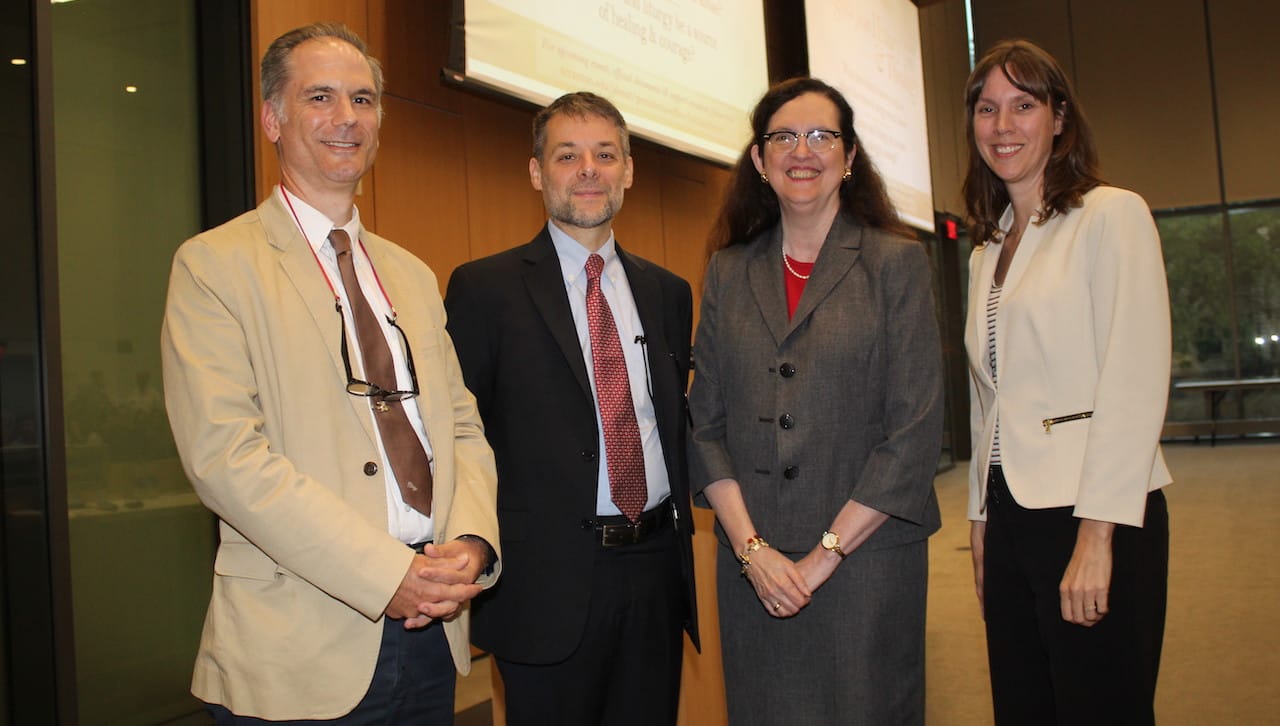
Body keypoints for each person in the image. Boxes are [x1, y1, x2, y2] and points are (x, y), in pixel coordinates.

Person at [161, 23, 500, 723]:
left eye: (364, 99)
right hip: (298, 645)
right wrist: (387, 576)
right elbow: (227, 457)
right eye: (320, 97)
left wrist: (470, 541)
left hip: (433, 633)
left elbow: (461, 427)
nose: (348, 118)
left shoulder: (409, 272)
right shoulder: (213, 266)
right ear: (271, 119)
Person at [688, 77, 944, 725]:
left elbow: (912, 435)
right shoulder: (728, 270)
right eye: (783, 137)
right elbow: (704, 424)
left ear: (850, 156)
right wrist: (753, 553)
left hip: (867, 564)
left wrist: (823, 556)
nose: (802, 151)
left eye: (821, 136)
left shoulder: (896, 265)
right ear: (759, 160)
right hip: (755, 569)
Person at [444, 91, 698, 726]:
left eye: (605, 154)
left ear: (628, 170)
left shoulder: (668, 293)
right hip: (544, 582)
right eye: (568, 155)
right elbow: (458, 433)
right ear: (537, 172)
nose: (589, 169)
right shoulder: (484, 289)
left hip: (654, 571)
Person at [961, 39, 1172, 725]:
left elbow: (1134, 381)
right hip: (1012, 510)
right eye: (988, 109)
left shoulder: (1111, 215)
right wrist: (981, 517)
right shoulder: (986, 250)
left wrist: (1097, 535)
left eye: (1024, 105)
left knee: (1100, 706)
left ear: (1059, 118)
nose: (1003, 125)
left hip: (1093, 508)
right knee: (1025, 707)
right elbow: (986, 396)